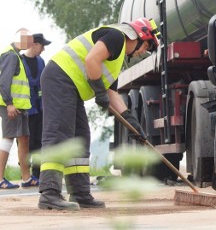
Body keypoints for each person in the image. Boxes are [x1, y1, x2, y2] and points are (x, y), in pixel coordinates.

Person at [38, 18, 159, 210]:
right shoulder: (117, 37)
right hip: (60, 78)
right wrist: (98, 91)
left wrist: (131, 121)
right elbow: (91, 59)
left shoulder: (117, 59)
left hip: (71, 88)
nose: (143, 52)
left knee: (80, 139)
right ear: (139, 36)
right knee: (60, 134)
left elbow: (112, 92)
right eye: (146, 46)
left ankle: (79, 193)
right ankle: (49, 194)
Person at [0, 29, 37, 189]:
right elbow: (4, 81)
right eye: (28, 40)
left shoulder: (16, 55)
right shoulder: (10, 56)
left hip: (20, 107)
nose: (30, 43)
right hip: (11, 106)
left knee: (23, 138)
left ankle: (26, 178)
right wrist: (9, 103)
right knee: (8, 138)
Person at [21, 33, 52, 184]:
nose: (43, 49)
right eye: (42, 45)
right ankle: (25, 174)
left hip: (39, 108)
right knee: (26, 141)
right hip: (25, 109)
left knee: (40, 140)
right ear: (33, 44)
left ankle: (38, 173)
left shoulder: (41, 62)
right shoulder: (19, 61)